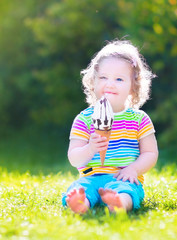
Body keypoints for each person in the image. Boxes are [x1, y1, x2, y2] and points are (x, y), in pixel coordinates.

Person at [62, 40, 158, 214]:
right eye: (103, 78)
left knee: (127, 191)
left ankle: (119, 202)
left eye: (119, 79)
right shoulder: (84, 119)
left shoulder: (139, 119)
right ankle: (80, 203)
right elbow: (74, 158)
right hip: (90, 177)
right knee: (80, 188)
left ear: (133, 87)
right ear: (94, 82)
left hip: (123, 177)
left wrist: (134, 169)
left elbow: (150, 153)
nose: (110, 84)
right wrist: (90, 148)